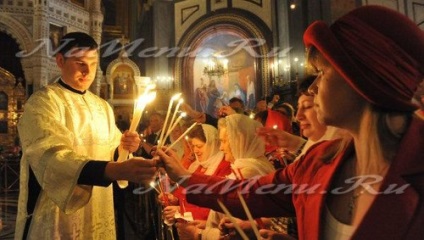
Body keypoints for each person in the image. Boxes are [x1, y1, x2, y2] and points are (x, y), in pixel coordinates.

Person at [156, 6, 424, 239]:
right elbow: (247, 192)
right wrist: (183, 176)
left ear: (359, 80)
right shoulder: (320, 161)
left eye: (322, 72)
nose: (314, 87)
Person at [15, 32, 157, 239]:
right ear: (60, 61)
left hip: (99, 202)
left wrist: (126, 146)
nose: (88, 71)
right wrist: (113, 170)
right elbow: (51, 156)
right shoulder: (43, 103)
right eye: (80, 63)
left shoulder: (102, 107)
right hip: (59, 208)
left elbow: (114, 150)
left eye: (93, 63)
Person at [173, 114, 274, 239]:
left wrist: (199, 234)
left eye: (224, 141)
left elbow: (236, 234)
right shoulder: (253, 165)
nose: (221, 147)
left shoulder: (248, 173)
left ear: (238, 141)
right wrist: (207, 225)